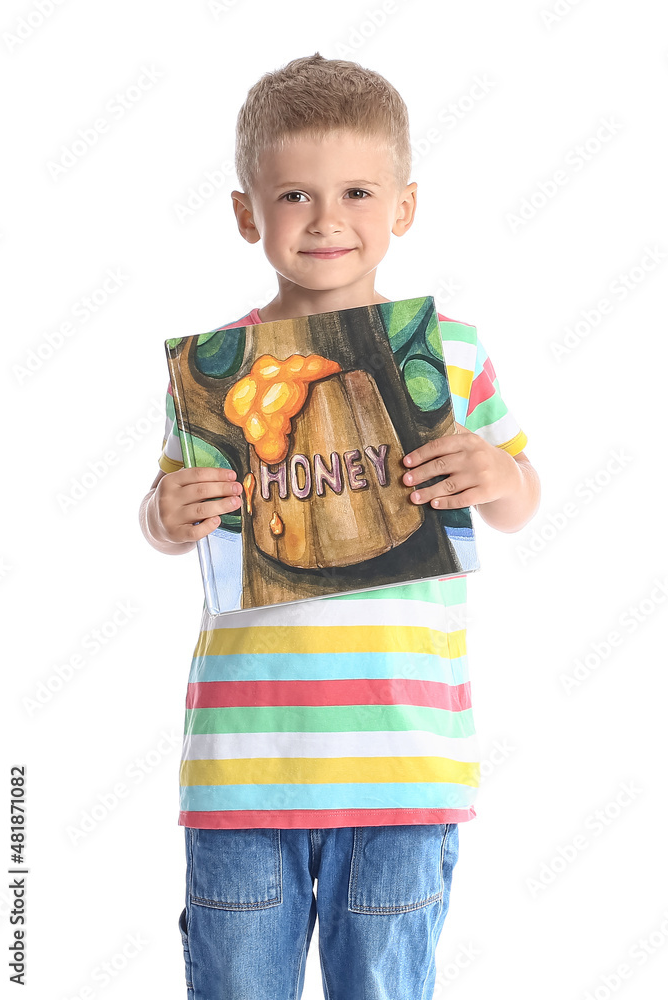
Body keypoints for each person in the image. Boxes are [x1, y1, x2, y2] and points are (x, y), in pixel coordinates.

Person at [139, 52, 540, 1000]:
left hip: (403, 765)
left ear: (402, 206)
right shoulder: (214, 375)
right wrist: (166, 515)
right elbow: (164, 515)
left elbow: (520, 499)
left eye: (357, 191)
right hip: (244, 772)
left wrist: (495, 472)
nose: (327, 220)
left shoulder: (450, 353)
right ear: (247, 214)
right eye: (293, 195)